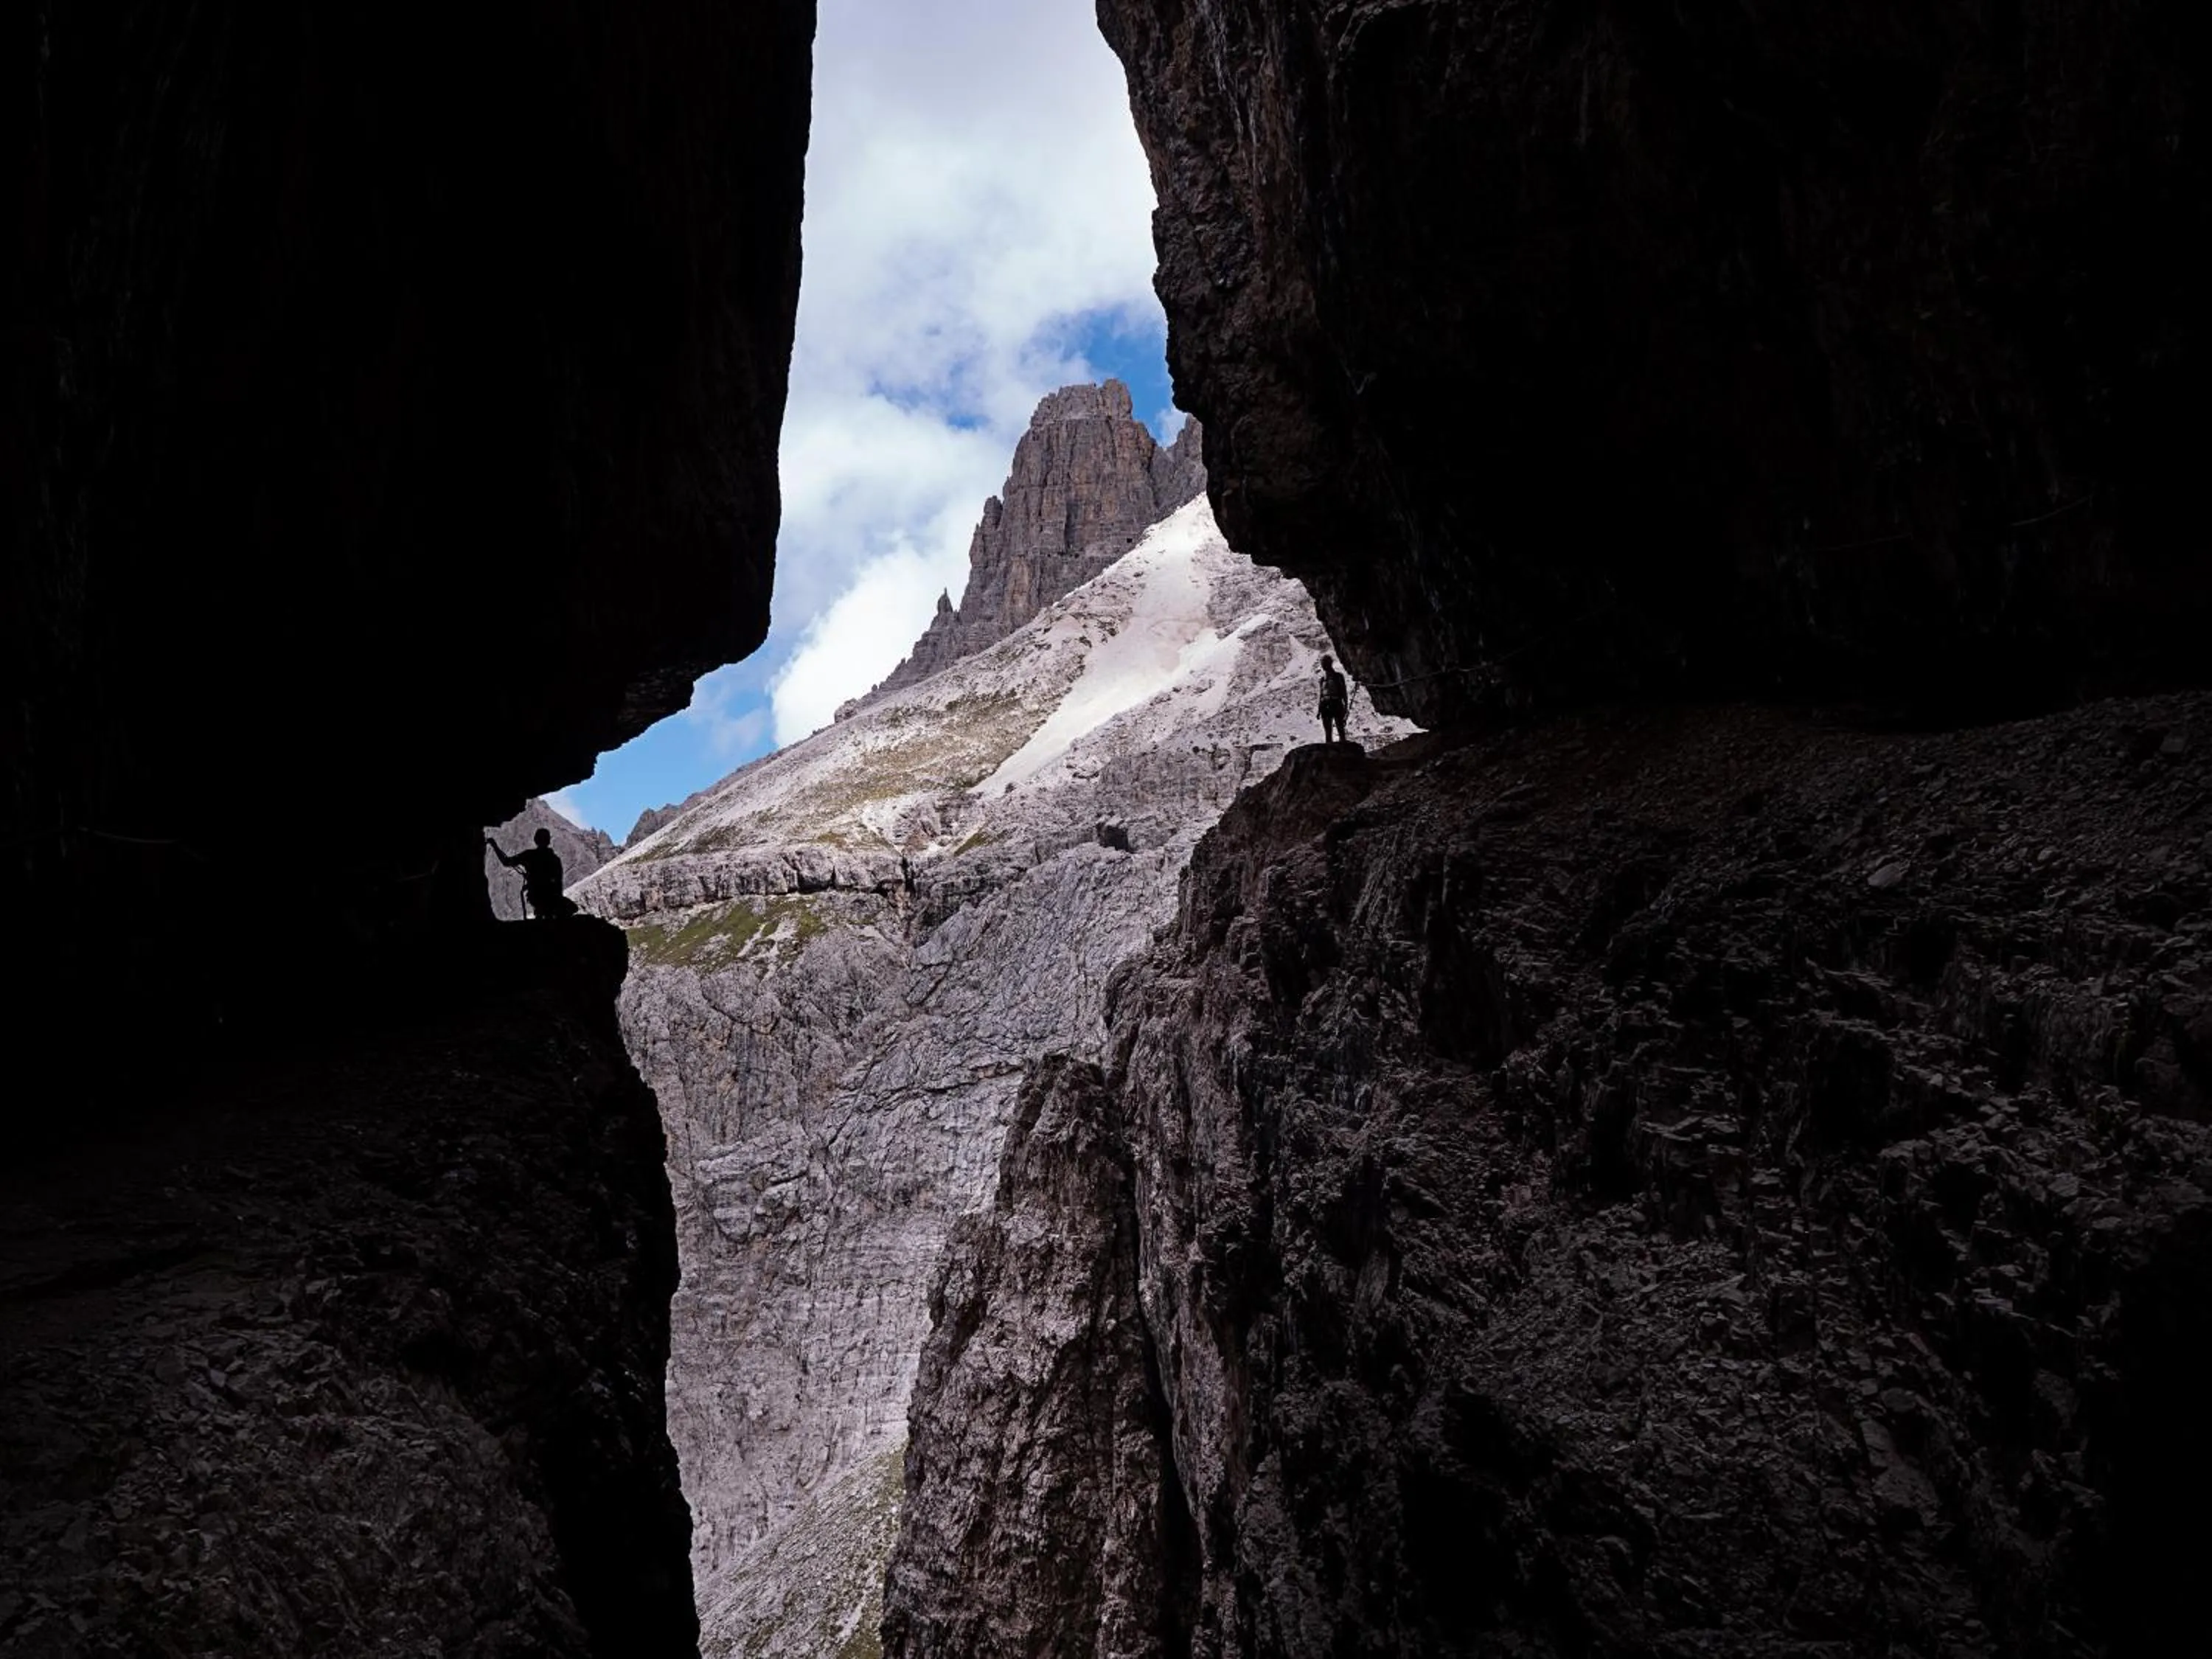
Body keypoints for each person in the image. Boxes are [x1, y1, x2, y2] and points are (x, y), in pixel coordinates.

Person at [486, 827, 578, 919]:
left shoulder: (529, 855)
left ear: (536, 840)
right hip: (552, 898)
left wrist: (495, 846)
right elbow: (559, 883)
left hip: (536, 897)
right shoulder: (555, 859)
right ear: (549, 841)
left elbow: (506, 862)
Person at [1317, 654, 1350, 745]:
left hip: (1336, 703)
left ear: (1330, 664)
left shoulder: (1338, 676)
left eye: (1325, 663)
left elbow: (1344, 692)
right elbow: (1321, 695)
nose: (1323, 666)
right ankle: (1330, 751)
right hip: (1325, 705)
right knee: (1328, 732)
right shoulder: (1322, 680)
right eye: (1323, 663)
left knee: (1340, 728)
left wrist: (1346, 707)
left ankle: (1343, 749)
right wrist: (1319, 709)